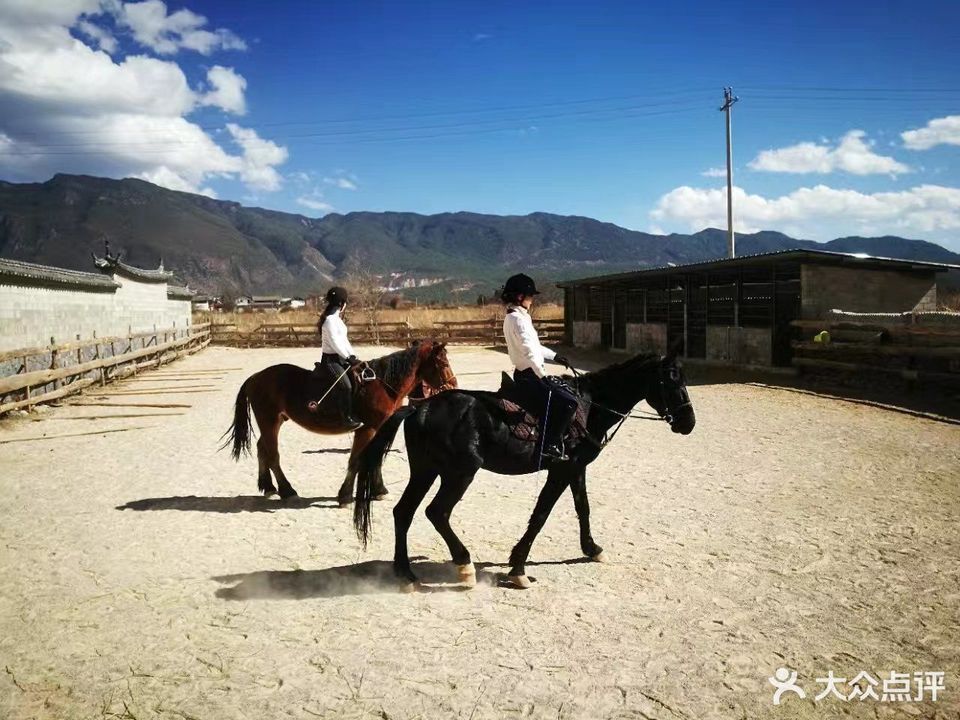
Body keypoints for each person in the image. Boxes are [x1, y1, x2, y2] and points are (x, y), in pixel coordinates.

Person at [501, 273, 577, 461]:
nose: (532, 300)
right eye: (530, 296)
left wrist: (555, 356)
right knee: (569, 403)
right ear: (520, 297)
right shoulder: (519, 320)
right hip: (531, 376)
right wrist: (543, 376)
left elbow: (534, 347)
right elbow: (529, 351)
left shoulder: (515, 318)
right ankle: (549, 444)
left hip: (524, 373)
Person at [317, 286, 362, 427]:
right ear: (342, 304)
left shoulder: (338, 321)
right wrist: (348, 358)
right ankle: (345, 419)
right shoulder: (330, 320)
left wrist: (353, 355)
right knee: (346, 386)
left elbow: (344, 341)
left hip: (341, 359)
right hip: (331, 362)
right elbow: (335, 343)